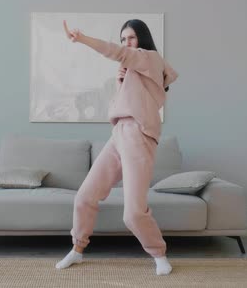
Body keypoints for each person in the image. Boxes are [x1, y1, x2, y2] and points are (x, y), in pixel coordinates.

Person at [55, 19, 179, 275]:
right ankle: (77, 249)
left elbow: (117, 53)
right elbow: (120, 106)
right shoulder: (133, 71)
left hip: (139, 135)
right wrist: (121, 83)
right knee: (84, 197)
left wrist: (83, 39)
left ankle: (159, 255)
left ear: (142, 39)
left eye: (131, 38)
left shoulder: (150, 58)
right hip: (118, 134)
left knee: (133, 214)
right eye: (123, 39)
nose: (126, 43)